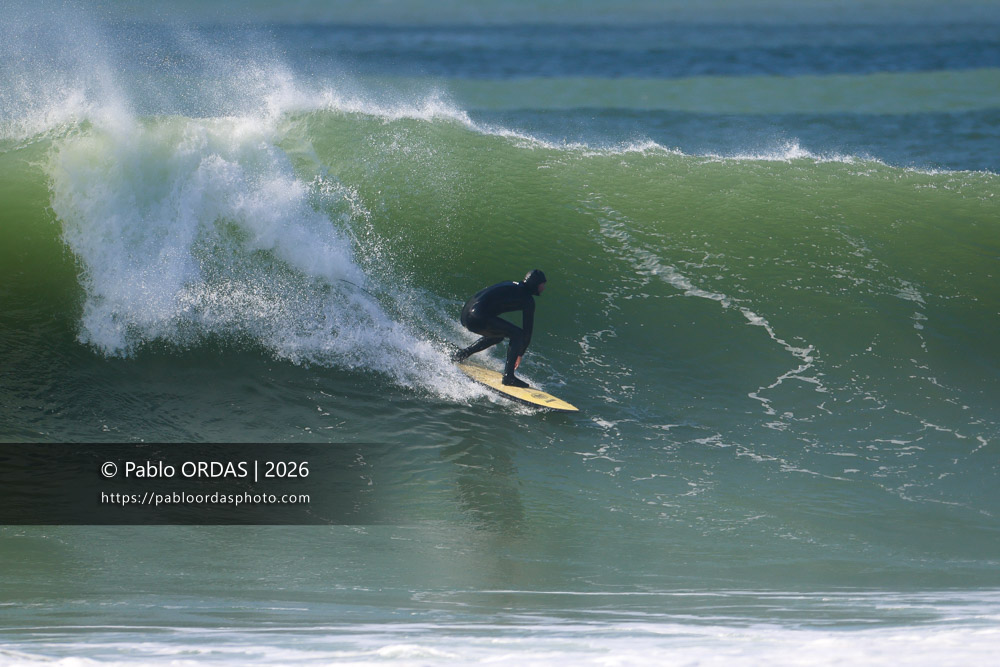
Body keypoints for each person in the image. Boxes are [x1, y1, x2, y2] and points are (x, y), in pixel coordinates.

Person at [452, 269, 547, 388]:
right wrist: (520, 354)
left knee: (498, 335)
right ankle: (509, 377)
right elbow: (527, 332)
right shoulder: (527, 300)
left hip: (466, 315)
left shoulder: (511, 284)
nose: (543, 288)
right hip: (477, 317)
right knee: (517, 334)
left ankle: (462, 354)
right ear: (535, 285)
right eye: (542, 285)